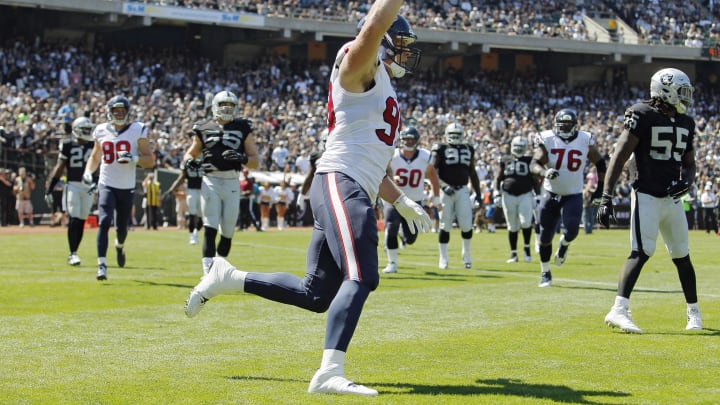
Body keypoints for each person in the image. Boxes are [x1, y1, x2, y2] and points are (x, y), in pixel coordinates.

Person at [185, 4, 429, 396]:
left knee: (316, 295)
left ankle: (228, 277)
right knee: (363, 275)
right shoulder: (356, 64)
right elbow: (373, 24)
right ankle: (329, 372)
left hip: (352, 184)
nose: (405, 51)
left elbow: (371, 158)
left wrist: (400, 200)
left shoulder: (380, 81)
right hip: (340, 182)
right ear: (380, 41)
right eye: (399, 42)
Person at [597, 68, 702, 333]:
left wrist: (687, 182)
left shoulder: (686, 122)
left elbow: (690, 164)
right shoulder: (642, 114)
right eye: (682, 91)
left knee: (682, 256)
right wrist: (606, 196)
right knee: (641, 252)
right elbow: (619, 156)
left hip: (672, 199)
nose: (686, 97)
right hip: (646, 194)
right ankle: (618, 310)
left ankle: (694, 314)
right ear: (665, 89)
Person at [182, 90, 259, 275]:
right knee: (210, 224)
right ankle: (208, 272)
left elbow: (255, 160)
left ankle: (219, 264)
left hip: (232, 180)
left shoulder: (243, 127)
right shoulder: (203, 127)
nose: (227, 109)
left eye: (231, 105)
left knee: (228, 230)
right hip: (210, 180)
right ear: (215, 106)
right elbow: (190, 153)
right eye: (223, 105)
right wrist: (189, 161)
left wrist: (242, 157)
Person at [530, 108, 606, 287]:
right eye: (561, 124)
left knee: (572, 230)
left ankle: (564, 245)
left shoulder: (584, 139)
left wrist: (600, 189)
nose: (564, 128)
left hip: (573, 193)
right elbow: (534, 163)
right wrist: (544, 171)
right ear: (555, 124)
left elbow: (601, 164)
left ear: (575, 125)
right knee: (545, 236)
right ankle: (545, 272)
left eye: (568, 125)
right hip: (551, 193)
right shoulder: (547, 138)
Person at [83, 95, 155, 280]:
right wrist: (88, 171)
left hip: (127, 186)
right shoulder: (100, 130)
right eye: (116, 111)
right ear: (109, 112)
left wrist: (135, 159)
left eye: (122, 111)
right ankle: (102, 265)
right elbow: (95, 156)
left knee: (122, 228)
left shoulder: (137, 129)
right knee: (104, 220)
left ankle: (119, 246)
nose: (119, 114)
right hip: (107, 183)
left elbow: (149, 159)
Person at [383, 126, 440, 273]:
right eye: (406, 139)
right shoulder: (392, 155)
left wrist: (436, 196)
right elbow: (383, 173)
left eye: (411, 139)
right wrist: (391, 178)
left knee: (411, 237)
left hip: (415, 200)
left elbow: (433, 177)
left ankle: (404, 235)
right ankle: (392, 263)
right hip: (393, 198)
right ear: (401, 140)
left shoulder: (425, 156)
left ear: (417, 140)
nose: (409, 141)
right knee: (391, 227)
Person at [45, 117, 95, 265]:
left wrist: (97, 182)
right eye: (85, 130)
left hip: (88, 186)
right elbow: (59, 167)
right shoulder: (67, 144)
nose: (87, 132)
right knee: (74, 217)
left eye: (88, 129)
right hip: (72, 184)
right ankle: (72, 253)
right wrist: (50, 189)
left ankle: (74, 252)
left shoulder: (93, 144)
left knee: (81, 219)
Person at [432, 122, 482, 269]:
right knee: (444, 225)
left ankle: (466, 256)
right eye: (452, 135)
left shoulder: (468, 149)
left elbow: (472, 173)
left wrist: (478, 193)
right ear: (446, 135)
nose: (454, 138)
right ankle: (443, 258)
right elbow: (432, 171)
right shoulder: (440, 149)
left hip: (462, 191)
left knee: (467, 225)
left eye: (457, 135)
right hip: (445, 192)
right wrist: (443, 186)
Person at [495, 135, 535, 263]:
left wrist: (538, 196)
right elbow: (498, 177)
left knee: (526, 223)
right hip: (508, 195)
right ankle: (513, 253)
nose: (518, 149)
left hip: (525, 194)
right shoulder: (505, 159)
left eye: (521, 147)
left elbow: (534, 179)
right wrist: (497, 192)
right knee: (512, 226)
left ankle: (527, 249)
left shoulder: (530, 160)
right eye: (516, 147)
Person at [165, 159, 204, 244]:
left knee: (202, 217)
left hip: (203, 191)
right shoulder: (187, 163)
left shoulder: (204, 161)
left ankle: (195, 232)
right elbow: (181, 178)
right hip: (191, 191)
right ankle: (192, 236)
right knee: (191, 214)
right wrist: (171, 189)